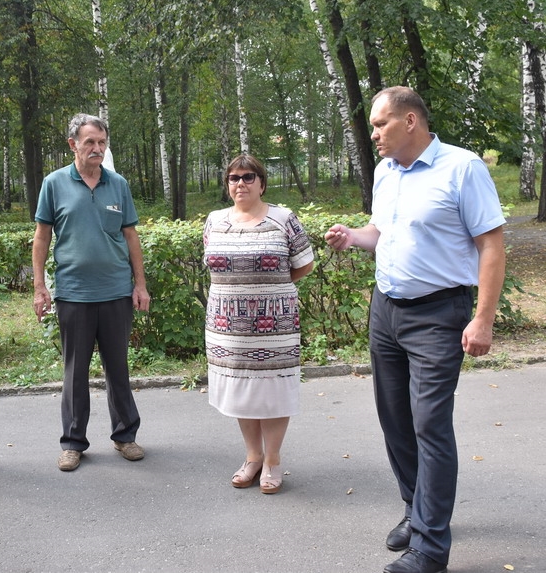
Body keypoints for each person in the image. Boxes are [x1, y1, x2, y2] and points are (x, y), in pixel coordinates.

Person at [324, 86, 505, 573]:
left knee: (429, 424)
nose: (374, 133)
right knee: (395, 420)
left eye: (380, 124)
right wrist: (351, 238)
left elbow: (491, 244)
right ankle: (416, 507)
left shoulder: (462, 168)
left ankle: (429, 548)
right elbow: (380, 234)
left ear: (410, 121)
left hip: (438, 315)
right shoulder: (386, 172)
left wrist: (483, 318)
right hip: (386, 311)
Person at [32, 113, 150, 472]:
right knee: (75, 371)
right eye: (89, 143)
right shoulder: (54, 184)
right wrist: (40, 288)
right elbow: (41, 238)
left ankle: (125, 436)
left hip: (115, 292)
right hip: (73, 293)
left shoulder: (118, 184)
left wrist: (140, 284)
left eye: (101, 142)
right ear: (73, 145)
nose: (97, 149)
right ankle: (72, 442)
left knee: (118, 368)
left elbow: (131, 237)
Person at [203, 154, 314, 494]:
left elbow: (304, 265)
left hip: (275, 324)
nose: (241, 183)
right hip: (227, 325)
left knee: (273, 393)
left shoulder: (284, 219)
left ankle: (273, 460)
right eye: (234, 178)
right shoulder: (214, 220)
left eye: (248, 177)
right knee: (243, 392)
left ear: (262, 182)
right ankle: (253, 457)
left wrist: (270, 289)